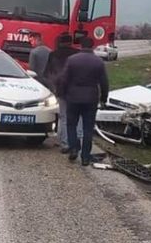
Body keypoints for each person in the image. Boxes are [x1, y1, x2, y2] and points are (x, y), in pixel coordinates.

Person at [59, 37, 109, 166]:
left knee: (71, 125)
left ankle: (74, 148)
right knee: (88, 128)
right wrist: (104, 98)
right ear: (92, 46)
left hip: (73, 97)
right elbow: (104, 83)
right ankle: (86, 157)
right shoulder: (98, 62)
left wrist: (62, 94)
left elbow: (64, 79)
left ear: (81, 45)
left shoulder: (72, 60)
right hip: (91, 99)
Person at [43, 34, 80, 153]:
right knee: (76, 117)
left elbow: (47, 74)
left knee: (64, 117)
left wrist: (53, 87)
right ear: (71, 42)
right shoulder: (77, 54)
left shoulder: (53, 54)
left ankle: (65, 142)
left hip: (61, 90)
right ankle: (76, 141)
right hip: (75, 90)